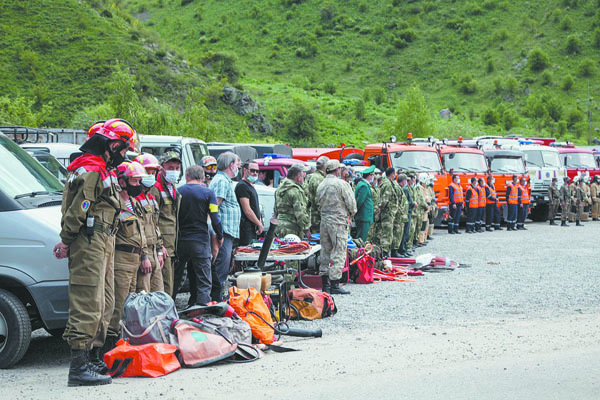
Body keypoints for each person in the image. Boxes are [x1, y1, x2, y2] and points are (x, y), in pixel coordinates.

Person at [53, 118, 133, 386]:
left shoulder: (101, 168)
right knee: (87, 300)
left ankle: (93, 358)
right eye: (123, 148)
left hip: (103, 238)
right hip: (89, 239)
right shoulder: (90, 169)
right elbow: (79, 209)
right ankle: (78, 367)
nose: (124, 155)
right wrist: (66, 240)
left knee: (104, 301)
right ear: (111, 144)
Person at [107, 162, 151, 343]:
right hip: (121, 259)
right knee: (119, 305)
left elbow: (141, 232)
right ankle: (110, 344)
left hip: (135, 259)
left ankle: (126, 340)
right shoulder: (115, 203)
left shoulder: (133, 202)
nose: (138, 185)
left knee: (132, 305)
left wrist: (144, 256)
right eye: (134, 180)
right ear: (122, 181)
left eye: (140, 180)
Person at [178, 166, 224, 305]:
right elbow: (215, 217)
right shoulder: (208, 193)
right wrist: (220, 235)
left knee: (174, 278)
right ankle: (203, 310)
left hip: (180, 241)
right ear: (203, 177)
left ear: (186, 176)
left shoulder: (178, 192)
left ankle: (168, 309)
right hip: (200, 241)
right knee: (204, 280)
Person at [317, 159, 357, 295]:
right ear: (337, 170)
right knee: (339, 251)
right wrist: (351, 214)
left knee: (325, 251)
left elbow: (317, 203)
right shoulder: (341, 184)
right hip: (338, 222)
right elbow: (351, 203)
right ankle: (335, 283)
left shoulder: (321, 185)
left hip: (324, 222)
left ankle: (325, 284)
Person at [209, 151, 242, 301]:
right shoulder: (222, 181)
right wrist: (217, 231)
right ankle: (215, 298)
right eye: (237, 163)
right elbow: (214, 206)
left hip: (228, 231)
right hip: (223, 231)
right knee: (221, 264)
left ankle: (217, 295)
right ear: (230, 165)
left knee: (224, 263)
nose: (238, 167)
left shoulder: (225, 180)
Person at [133, 153, 165, 293]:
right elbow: (137, 230)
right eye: (147, 172)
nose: (151, 176)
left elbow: (155, 225)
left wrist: (159, 249)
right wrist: (143, 257)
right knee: (143, 293)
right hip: (143, 253)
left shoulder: (151, 198)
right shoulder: (133, 199)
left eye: (153, 172)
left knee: (159, 293)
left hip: (154, 252)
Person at [155, 151, 181, 297]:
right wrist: (160, 246)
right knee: (164, 286)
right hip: (163, 246)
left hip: (172, 246)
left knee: (169, 284)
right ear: (162, 168)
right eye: (170, 168)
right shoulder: (156, 188)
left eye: (177, 168)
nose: (175, 171)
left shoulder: (172, 187)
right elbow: (152, 220)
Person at [274, 163, 311, 239]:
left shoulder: (280, 188)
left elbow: (275, 210)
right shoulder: (295, 191)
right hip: (292, 230)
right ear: (298, 176)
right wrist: (307, 230)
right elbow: (300, 213)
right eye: (303, 176)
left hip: (279, 227)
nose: (304, 178)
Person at [235, 161, 263, 246]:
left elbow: (255, 208)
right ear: (245, 170)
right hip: (245, 228)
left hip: (252, 227)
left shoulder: (250, 186)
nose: (255, 173)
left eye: (257, 171)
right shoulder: (242, 186)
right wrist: (259, 224)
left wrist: (259, 222)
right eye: (252, 170)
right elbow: (247, 210)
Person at [373, 167, 398, 256]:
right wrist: (380, 209)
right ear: (392, 174)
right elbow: (385, 200)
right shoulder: (387, 184)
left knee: (388, 233)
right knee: (386, 233)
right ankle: (384, 253)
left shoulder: (388, 183)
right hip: (387, 212)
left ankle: (385, 251)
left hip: (389, 212)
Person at [305, 156, 328, 233]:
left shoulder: (313, 177)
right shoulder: (319, 179)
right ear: (325, 167)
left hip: (313, 217)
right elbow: (319, 201)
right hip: (317, 218)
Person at [354, 165, 375, 242]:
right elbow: (360, 201)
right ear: (369, 176)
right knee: (361, 238)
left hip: (365, 216)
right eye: (372, 175)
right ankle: (359, 253)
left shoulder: (365, 185)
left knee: (363, 237)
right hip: (363, 216)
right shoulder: (364, 186)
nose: (373, 177)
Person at [392, 173, 408, 257]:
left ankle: (398, 250)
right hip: (398, 216)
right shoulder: (398, 188)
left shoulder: (401, 188)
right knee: (397, 234)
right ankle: (395, 251)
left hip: (402, 216)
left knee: (400, 234)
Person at [400, 173, 416, 255]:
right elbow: (406, 202)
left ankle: (404, 248)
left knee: (407, 232)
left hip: (408, 212)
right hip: (407, 212)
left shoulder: (408, 188)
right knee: (405, 232)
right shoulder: (405, 189)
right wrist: (413, 204)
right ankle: (402, 249)